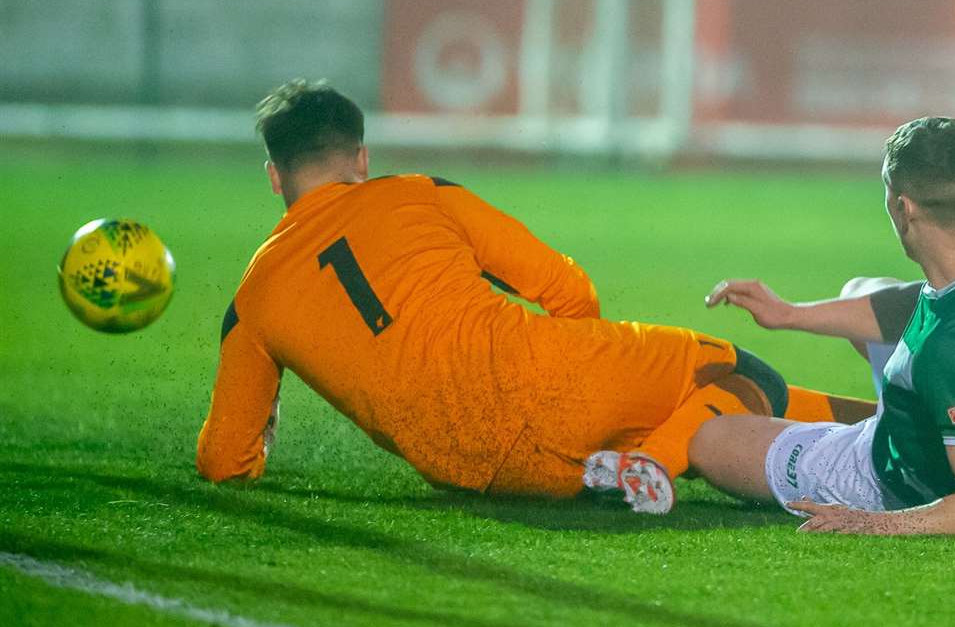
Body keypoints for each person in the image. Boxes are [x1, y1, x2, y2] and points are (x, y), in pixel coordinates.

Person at [196, 79, 869, 514]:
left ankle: (892, 427)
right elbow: (567, 289)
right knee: (739, 372)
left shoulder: (253, 297)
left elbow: (224, 461)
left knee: (699, 415)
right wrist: (572, 367)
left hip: (463, 465)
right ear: (362, 158)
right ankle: (649, 466)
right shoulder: (415, 193)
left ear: (274, 178)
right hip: (547, 382)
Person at [652, 117, 955, 536]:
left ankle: (880, 444)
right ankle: (932, 421)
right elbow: (914, 303)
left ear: (903, 208)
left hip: (913, 479)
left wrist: (873, 521)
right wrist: (790, 314)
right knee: (864, 289)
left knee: (712, 439)